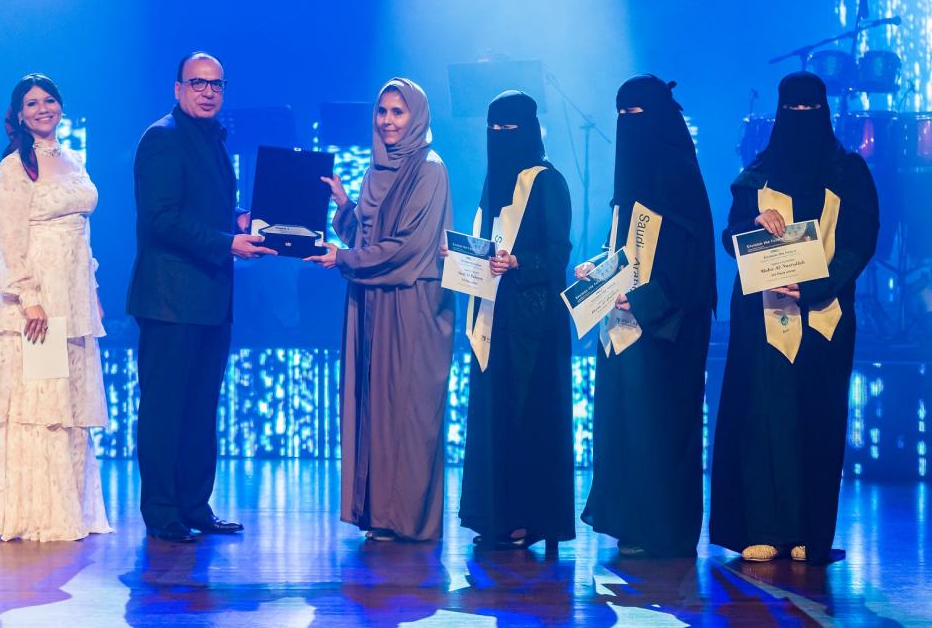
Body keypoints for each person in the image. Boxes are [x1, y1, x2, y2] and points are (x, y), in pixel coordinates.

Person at [710, 71, 879, 564]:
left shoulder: (848, 172)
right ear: (779, 114)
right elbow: (730, 237)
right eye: (793, 110)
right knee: (762, 417)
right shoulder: (756, 176)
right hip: (762, 318)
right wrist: (752, 223)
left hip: (825, 316)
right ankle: (762, 527)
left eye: (810, 110)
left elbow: (860, 242)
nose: (801, 119)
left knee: (816, 418)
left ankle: (808, 532)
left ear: (823, 111)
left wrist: (816, 287)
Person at [126, 52, 275, 543]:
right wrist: (227, 242)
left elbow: (200, 208)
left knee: (200, 409)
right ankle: (162, 511)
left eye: (216, 85)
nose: (208, 92)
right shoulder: (162, 137)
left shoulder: (212, 139)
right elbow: (161, 218)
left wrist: (236, 220)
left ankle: (194, 504)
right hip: (170, 301)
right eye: (198, 83)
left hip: (210, 298)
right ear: (178, 88)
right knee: (165, 410)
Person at [307, 77, 454, 542]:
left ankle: (407, 518)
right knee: (374, 410)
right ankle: (378, 515)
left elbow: (407, 248)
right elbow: (368, 238)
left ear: (417, 116)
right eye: (382, 111)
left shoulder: (430, 169)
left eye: (398, 112)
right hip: (372, 300)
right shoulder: (375, 171)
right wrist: (344, 204)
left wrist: (343, 259)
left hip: (412, 304)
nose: (388, 121)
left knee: (408, 410)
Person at [577, 75, 716, 558]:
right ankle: (630, 523)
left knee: (663, 425)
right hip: (624, 322)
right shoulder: (629, 183)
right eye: (621, 116)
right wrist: (598, 268)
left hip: (669, 328)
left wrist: (645, 300)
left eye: (636, 115)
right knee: (626, 424)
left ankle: (666, 529)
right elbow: (626, 249)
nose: (627, 126)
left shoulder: (680, 177)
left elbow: (691, 266)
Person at [0, 73, 111, 541]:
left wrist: (93, 291)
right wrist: (29, 300)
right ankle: (39, 513)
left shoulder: (74, 160)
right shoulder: (14, 167)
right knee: (42, 403)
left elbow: (82, 235)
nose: (42, 109)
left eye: (49, 100)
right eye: (32, 103)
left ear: (61, 106)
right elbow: (9, 241)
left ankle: (71, 507)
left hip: (75, 296)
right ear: (18, 114)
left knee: (68, 403)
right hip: (40, 302)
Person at [457, 90, 574, 549]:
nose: (500, 137)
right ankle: (495, 516)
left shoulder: (548, 181)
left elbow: (558, 254)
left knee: (528, 416)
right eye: (493, 129)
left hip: (534, 324)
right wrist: (460, 255)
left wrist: (519, 262)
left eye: (509, 128)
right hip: (492, 315)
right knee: (494, 417)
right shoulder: (492, 182)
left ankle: (530, 518)